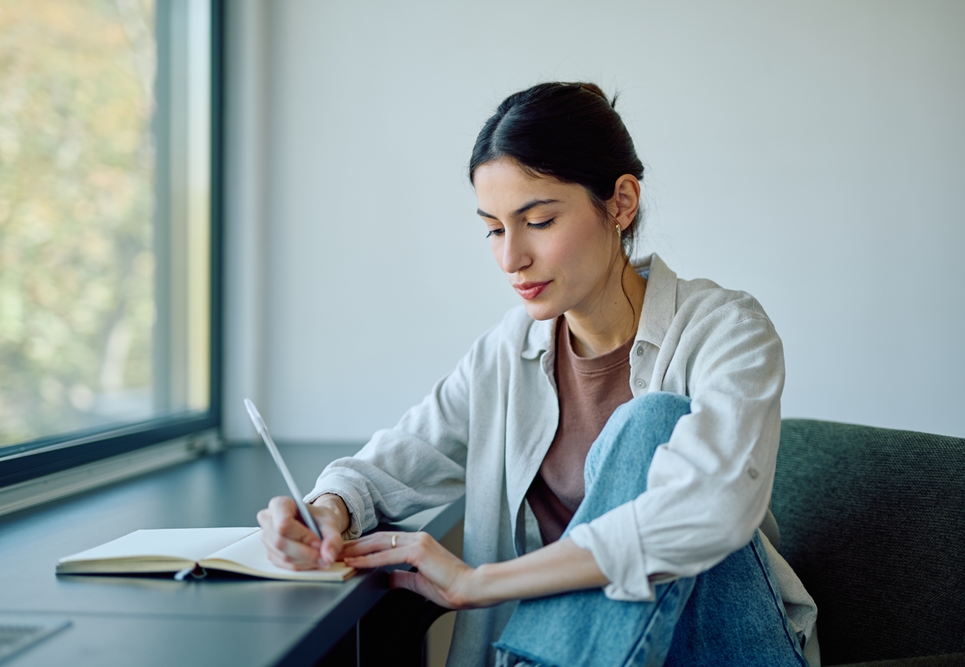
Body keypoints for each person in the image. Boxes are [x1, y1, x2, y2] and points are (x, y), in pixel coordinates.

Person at [258, 82, 818, 667]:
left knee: (651, 421)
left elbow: (709, 511)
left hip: (723, 647)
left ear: (621, 202)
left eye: (540, 221)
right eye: (495, 229)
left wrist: (481, 583)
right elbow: (389, 465)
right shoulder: (506, 354)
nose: (511, 258)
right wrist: (325, 511)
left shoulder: (726, 329)